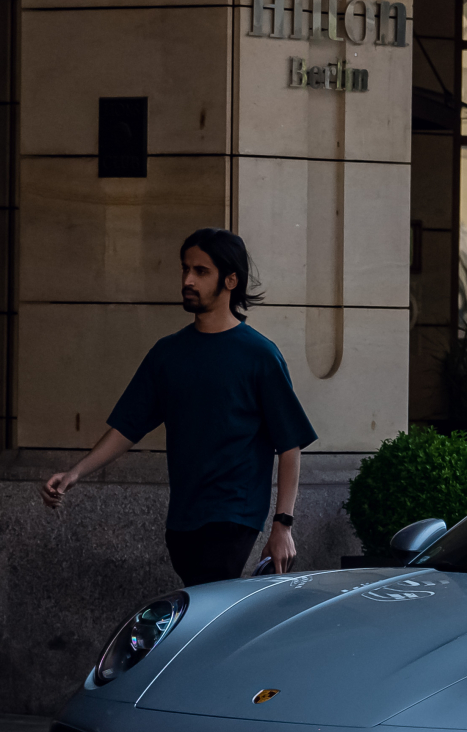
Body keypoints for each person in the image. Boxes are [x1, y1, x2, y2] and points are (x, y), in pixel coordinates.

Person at [41, 230, 316, 585]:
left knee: (209, 614)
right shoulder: (167, 354)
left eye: (201, 272)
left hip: (234, 514)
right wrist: (75, 473)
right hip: (183, 520)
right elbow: (128, 426)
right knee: (206, 617)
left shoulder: (260, 355)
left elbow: (290, 445)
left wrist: (283, 526)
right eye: (185, 269)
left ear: (231, 280)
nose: (187, 280)